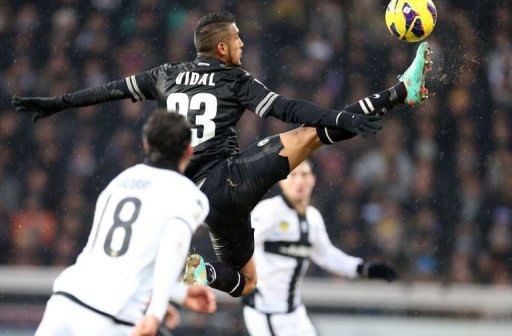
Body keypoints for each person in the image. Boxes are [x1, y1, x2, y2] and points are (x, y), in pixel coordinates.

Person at [13, 11, 431, 298]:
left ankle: (203, 271)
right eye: (236, 38)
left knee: (246, 282)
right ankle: (399, 93)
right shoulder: (234, 79)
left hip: (197, 197)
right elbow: (286, 108)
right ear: (221, 50)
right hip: (230, 178)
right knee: (311, 135)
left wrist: (58, 103)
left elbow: (109, 91)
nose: (242, 42)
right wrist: (343, 118)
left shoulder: (166, 75)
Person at [34, 110, 216, 336]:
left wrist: (178, 293)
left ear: (146, 143)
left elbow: (120, 260)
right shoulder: (188, 194)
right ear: (189, 150)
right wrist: (155, 312)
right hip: (111, 317)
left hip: (65, 303)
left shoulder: (120, 181)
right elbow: (174, 247)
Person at [243, 160, 397, 336]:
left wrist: (365, 268)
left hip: (295, 314)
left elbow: (327, 256)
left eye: (304, 174)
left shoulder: (313, 218)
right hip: (264, 313)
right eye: (293, 175)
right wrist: (246, 281)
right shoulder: (268, 211)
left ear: (313, 180)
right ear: (281, 180)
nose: (299, 181)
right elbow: (241, 246)